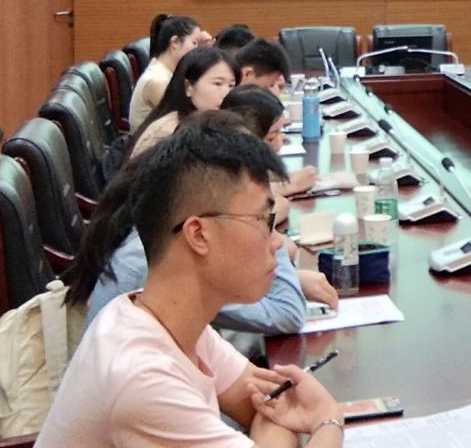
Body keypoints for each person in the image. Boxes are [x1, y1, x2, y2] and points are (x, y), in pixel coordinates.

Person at [0, 120, 344, 448]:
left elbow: (268, 406)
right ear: (198, 234)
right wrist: (329, 419)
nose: (277, 243)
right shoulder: (139, 376)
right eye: (264, 221)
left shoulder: (165, 319)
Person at [71, 109, 334, 338]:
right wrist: (268, 218)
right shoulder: (167, 263)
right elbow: (286, 314)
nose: (275, 242)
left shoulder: (165, 224)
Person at [129, 47, 237, 160]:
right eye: (218, 84)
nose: (227, 93)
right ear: (188, 87)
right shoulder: (167, 133)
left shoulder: (215, 123)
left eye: (231, 86)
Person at [129, 14, 206, 132]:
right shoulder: (158, 81)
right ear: (175, 42)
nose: (197, 50)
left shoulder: (167, 71)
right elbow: (185, 120)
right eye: (194, 43)